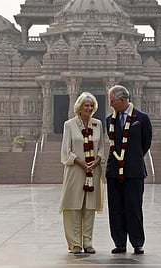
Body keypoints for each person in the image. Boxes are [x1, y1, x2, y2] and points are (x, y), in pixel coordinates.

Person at [105, 85, 152, 255]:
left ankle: (137, 242)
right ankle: (119, 242)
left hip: (134, 171)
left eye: (112, 101)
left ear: (123, 100)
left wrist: (132, 157)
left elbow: (145, 143)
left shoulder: (142, 118)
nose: (111, 105)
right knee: (116, 208)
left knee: (134, 207)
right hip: (114, 171)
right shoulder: (109, 119)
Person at [59, 92, 105, 255]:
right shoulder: (70, 125)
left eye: (92, 105)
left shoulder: (97, 124)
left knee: (90, 207)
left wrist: (97, 161)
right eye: (86, 105)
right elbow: (66, 150)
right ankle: (75, 243)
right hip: (75, 170)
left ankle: (88, 242)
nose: (89, 108)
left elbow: (101, 148)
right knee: (73, 206)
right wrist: (81, 162)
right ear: (79, 107)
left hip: (93, 171)